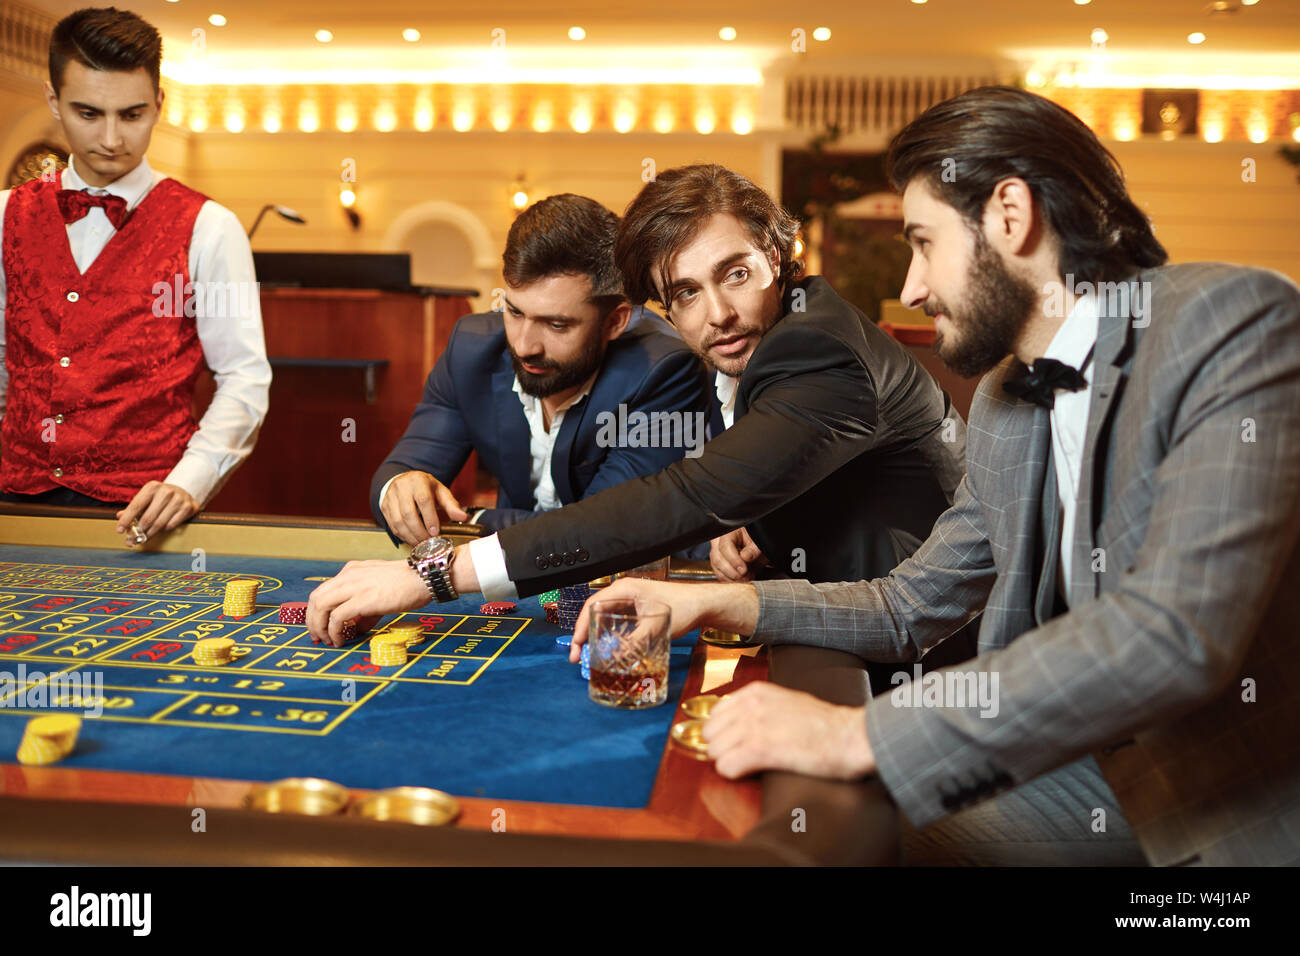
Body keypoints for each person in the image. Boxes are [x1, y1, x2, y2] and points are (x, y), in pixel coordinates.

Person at [564, 87, 1300, 867]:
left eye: (922, 242)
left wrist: (858, 733)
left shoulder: (1229, 320)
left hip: (1237, 817)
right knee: (767, 823)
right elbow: (910, 603)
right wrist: (708, 601)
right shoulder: (1009, 400)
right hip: (1081, 772)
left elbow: (1171, 638)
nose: (912, 288)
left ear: (1010, 217)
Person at [308, 165, 969, 646]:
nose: (718, 313)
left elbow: (677, 500)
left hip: (933, 652)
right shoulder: (782, 337)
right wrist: (765, 524)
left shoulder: (814, 351)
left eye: (735, 273)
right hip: (855, 614)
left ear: (776, 258)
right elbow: (782, 472)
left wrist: (438, 573)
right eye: (685, 292)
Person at [0, 7, 271, 545]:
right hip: (15, 501)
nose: (110, 138)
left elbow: (244, 380)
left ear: (159, 106)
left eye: (131, 115)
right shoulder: (5, 213)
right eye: (87, 112)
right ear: (54, 102)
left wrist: (189, 483)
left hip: (144, 511)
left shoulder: (210, 228)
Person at [370, 193, 710, 544]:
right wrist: (400, 488)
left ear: (615, 321)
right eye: (515, 312)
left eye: (557, 325)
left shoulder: (666, 371)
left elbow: (605, 528)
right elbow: (399, 472)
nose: (523, 346)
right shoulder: (471, 350)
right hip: (509, 581)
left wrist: (473, 520)